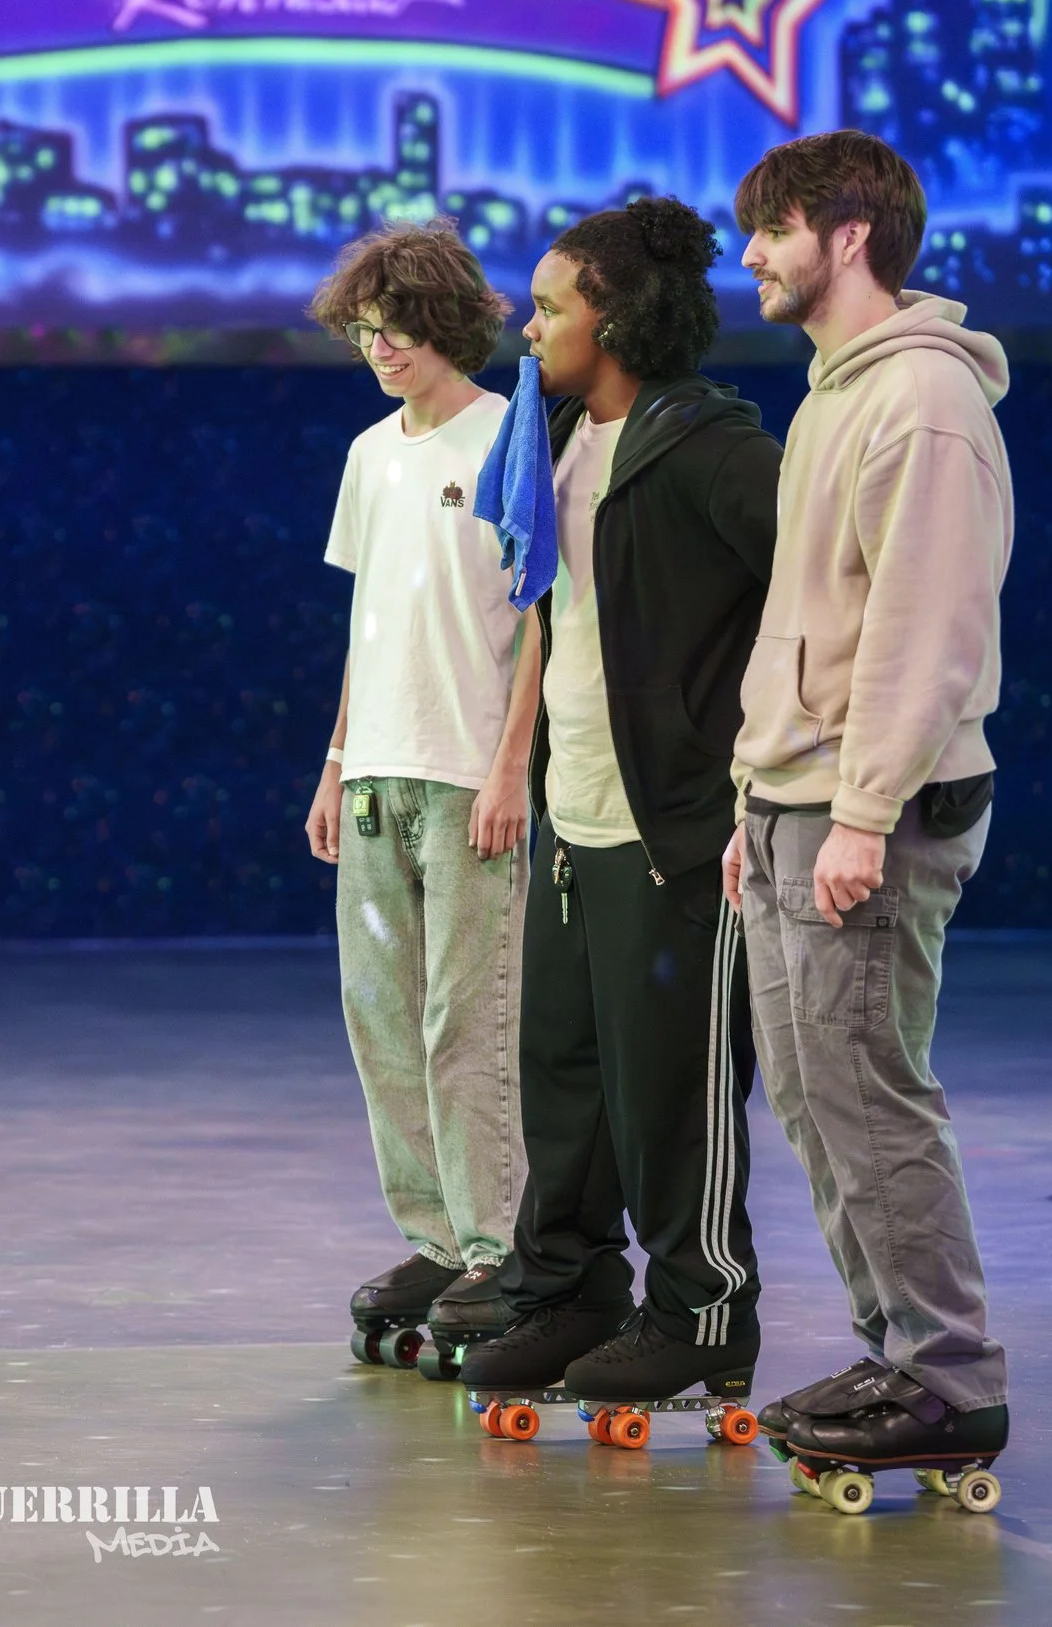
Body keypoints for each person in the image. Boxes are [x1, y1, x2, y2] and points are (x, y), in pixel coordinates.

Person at [721, 131, 1015, 1469]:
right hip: (794, 797)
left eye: (769, 231)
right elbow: (807, 615)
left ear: (844, 235)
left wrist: (859, 809)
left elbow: (922, 630)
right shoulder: (834, 392)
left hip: (871, 810)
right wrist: (756, 797)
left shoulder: (925, 401)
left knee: (871, 1092)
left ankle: (950, 1373)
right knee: (812, 1093)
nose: (751, 258)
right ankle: (895, 1344)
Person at [455, 198, 781, 1404]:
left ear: (618, 316)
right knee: (568, 1073)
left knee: (672, 1093)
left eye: (548, 308)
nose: (527, 328)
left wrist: (754, 759)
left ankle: (701, 1316)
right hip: (575, 814)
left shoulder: (712, 446)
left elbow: (814, 589)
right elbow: (552, 614)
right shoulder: (549, 440)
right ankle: (570, 1284)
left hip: (677, 828)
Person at [302, 221, 542, 1375]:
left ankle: (499, 1245)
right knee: (382, 1021)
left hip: (467, 778)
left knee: (467, 1019)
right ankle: (435, 1236)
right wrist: (338, 754)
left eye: (392, 325)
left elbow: (539, 616)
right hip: (379, 776)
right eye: (362, 329)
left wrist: (511, 762)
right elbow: (368, 625)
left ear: (443, 321)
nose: (376, 345)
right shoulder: (366, 454)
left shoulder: (510, 437)